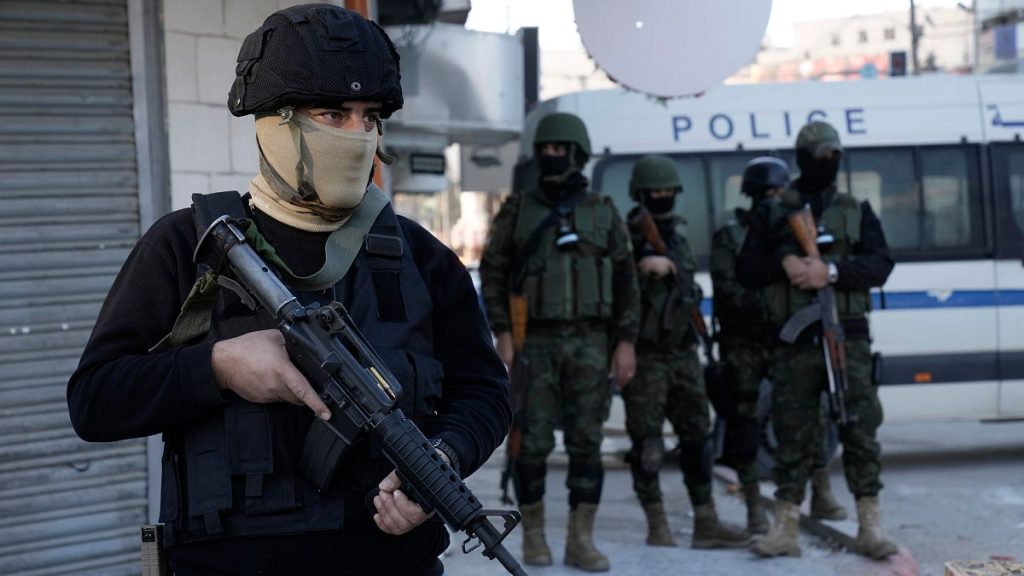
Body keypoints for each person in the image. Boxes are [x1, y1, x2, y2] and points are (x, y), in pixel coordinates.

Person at [66, 5, 511, 576]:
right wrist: (218, 366)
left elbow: (486, 394)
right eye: (332, 113)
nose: (357, 136)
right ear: (274, 124)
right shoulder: (187, 246)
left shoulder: (419, 256)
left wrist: (441, 463)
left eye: (370, 117)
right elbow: (95, 401)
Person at [479, 112, 639, 572]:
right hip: (535, 344)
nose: (551, 157)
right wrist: (504, 334)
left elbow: (627, 281)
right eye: (545, 150)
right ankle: (532, 535)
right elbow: (493, 271)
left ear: (576, 154)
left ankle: (580, 539)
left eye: (559, 150)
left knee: (587, 443)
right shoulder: (518, 209)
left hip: (592, 341)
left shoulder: (604, 212)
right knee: (530, 443)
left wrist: (625, 342)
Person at [737, 121, 898, 559]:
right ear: (803, 159)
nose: (827, 164)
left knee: (860, 428)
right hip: (795, 341)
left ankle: (870, 524)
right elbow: (745, 269)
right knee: (792, 433)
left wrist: (828, 272)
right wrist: (785, 260)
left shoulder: (856, 210)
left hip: (847, 336)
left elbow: (881, 264)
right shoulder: (773, 213)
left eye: (834, 157)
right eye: (820, 156)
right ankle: (784, 527)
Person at [709, 157, 848, 536]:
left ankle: (820, 490)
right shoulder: (732, 235)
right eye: (766, 194)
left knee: (811, 414)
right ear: (752, 196)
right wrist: (773, 291)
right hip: (745, 345)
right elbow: (729, 289)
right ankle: (755, 506)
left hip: (788, 338)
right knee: (746, 425)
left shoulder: (792, 228)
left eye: (777, 193)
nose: (773, 199)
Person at [622, 155, 750, 550]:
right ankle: (657, 524)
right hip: (646, 357)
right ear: (640, 196)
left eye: (667, 192)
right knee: (646, 445)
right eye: (654, 193)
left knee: (697, 439)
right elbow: (615, 291)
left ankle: (706, 522)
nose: (662, 198)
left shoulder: (677, 238)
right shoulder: (625, 239)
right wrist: (641, 265)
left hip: (682, 354)